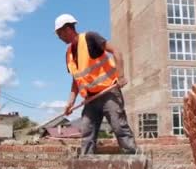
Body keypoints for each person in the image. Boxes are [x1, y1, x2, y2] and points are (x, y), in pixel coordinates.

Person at [54, 13, 137, 155]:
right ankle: (87, 165)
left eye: (59, 34)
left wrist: (121, 75)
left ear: (67, 29)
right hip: (91, 99)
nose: (59, 37)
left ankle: (133, 162)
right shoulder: (68, 53)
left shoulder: (90, 38)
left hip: (109, 93)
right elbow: (76, 80)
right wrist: (70, 103)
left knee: (119, 128)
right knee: (87, 132)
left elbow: (116, 51)